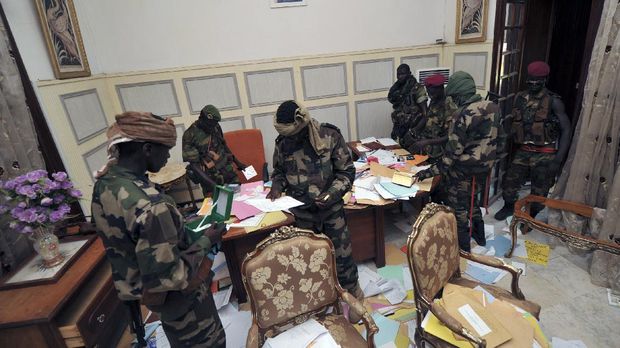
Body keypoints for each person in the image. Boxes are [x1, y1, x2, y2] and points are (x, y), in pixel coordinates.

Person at [91, 112, 227, 347]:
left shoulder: (107, 183)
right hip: (183, 305)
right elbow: (171, 278)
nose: (167, 156)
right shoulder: (153, 206)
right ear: (146, 149)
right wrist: (207, 240)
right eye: (165, 149)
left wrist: (176, 224)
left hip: (148, 295)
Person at [267, 100, 362, 298]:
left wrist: (332, 193)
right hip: (302, 214)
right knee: (307, 263)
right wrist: (277, 185)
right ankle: (320, 298)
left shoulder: (329, 136)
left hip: (331, 212)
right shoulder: (283, 142)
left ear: (302, 126)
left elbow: (346, 172)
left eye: (293, 135)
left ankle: (353, 293)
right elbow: (279, 171)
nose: (290, 140)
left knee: (342, 258)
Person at [415, 72, 500, 251]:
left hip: (463, 169)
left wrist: (427, 173)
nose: (452, 101)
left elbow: (451, 156)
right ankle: (480, 236)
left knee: (459, 208)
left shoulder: (461, 114)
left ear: (460, 95)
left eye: (454, 97)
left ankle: (463, 250)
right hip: (485, 167)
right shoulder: (493, 107)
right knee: (473, 200)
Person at [494, 61, 571, 221]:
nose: (533, 84)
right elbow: (512, 123)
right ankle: (509, 207)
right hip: (524, 150)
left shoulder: (553, 101)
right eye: (531, 81)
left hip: (545, 152)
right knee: (509, 181)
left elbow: (566, 129)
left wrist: (558, 159)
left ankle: (531, 215)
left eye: (538, 81)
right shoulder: (519, 98)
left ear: (545, 80)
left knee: (540, 188)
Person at [182, 105, 247, 195]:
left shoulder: (215, 126)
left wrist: (237, 162)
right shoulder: (190, 134)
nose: (212, 127)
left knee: (239, 198)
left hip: (228, 171)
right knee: (218, 206)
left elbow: (223, 145)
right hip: (210, 178)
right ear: (202, 119)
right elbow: (194, 166)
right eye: (210, 125)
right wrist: (213, 185)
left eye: (214, 124)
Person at [404, 73, 458, 165]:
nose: (430, 96)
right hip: (428, 148)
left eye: (432, 93)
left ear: (441, 88)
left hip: (441, 153)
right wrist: (414, 131)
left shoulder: (450, 107)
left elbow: (451, 136)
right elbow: (427, 117)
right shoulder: (435, 100)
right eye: (428, 92)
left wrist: (426, 142)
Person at [387, 64, 428, 146]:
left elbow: (425, 113)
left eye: (403, 74)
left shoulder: (417, 88)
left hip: (413, 129)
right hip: (401, 128)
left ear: (409, 73)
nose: (400, 77)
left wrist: (414, 131)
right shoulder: (397, 89)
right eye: (398, 74)